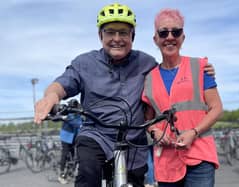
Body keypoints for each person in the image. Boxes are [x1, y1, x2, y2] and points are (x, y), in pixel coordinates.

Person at [34, 3, 215, 187]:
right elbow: (62, 84)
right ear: (100, 36)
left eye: (123, 33)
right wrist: (51, 97)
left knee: (137, 180)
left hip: (133, 141)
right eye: (110, 32)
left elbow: (169, 75)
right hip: (97, 136)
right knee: (88, 175)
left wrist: (203, 70)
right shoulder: (84, 63)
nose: (117, 39)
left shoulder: (146, 63)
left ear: (132, 37)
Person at [142, 8, 223, 187]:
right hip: (166, 161)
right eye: (163, 32)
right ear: (156, 39)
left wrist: (194, 132)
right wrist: (154, 131)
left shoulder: (199, 67)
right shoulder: (149, 78)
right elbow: (148, 118)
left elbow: (216, 108)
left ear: (183, 37)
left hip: (200, 155)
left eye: (176, 32)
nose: (169, 37)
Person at [58, 99, 83, 184]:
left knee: (73, 156)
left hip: (74, 138)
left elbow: (80, 124)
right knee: (65, 154)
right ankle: (61, 174)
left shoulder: (78, 114)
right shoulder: (69, 114)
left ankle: (69, 173)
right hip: (66, 137)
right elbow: (77, 123)